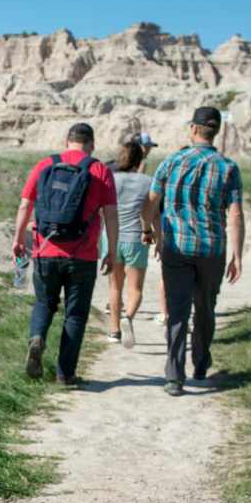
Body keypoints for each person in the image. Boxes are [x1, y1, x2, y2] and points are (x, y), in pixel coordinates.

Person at [142, 106, 245, 396]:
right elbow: (235, 215)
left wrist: (148, 230)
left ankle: (174, 376)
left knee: (177, 310)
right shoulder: (228, 168)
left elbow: (150, 201)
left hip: (177, 247)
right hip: (212, 249)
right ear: (216, 131)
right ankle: (200, 363)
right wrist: (237, 255)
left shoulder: (172, 161)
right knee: (205, 308)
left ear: (193, 128)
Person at [11, 122, 119, 385]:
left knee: (44, 303)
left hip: (45, 250)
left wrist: (18, 239)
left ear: (66, 141)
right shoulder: (99, 170)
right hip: (82, 256)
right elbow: (111, 215)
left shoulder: (45, 164)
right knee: (76, 313)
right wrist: (111, 251)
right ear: (92, 144)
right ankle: (65, 373)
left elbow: (26, 204)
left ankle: (37, 338)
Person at [99, 133, 157, 347]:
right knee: (136, 289)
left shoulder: (109, 179)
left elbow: (100, 211)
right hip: (136, 238)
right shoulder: (147, 181)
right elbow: (152, 213)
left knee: (114, 288)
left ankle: (114, 331)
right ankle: (128, 317)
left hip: (111, 238)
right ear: (139, 160)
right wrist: (155, 236)